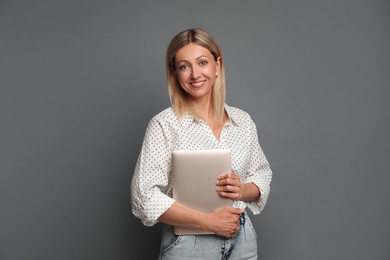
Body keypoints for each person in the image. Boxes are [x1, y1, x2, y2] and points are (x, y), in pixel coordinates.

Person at [131, 28, 272, 260]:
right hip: (190, 244)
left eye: (203, 62)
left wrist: (242, 189)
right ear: (175, 73)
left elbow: (262, 174)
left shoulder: (242, 121)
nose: (195, 74)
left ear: (217, 65)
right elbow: (143, 197)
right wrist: (208, 221)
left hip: (242, 239)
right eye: (184, 66)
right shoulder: (164, 125)